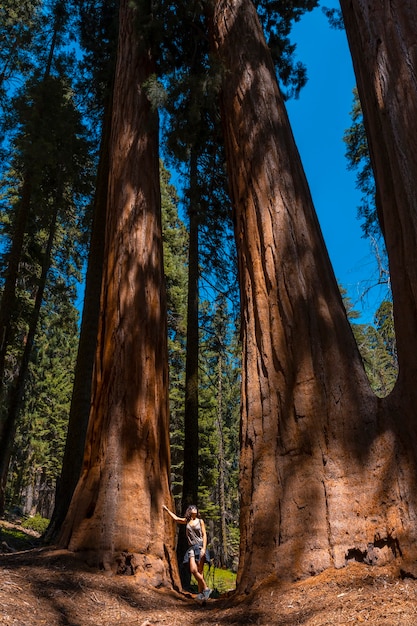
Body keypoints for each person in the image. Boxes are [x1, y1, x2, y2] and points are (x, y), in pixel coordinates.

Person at [163, 503, 212, 600]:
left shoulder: (200, 521)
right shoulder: (187, 521)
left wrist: (203, 548)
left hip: (200, 547)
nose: (194, 509)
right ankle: (206, 588)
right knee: (193, 570)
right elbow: (176, 519)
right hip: (191, 548)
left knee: (200, 571)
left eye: (195, 508)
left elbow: (204, 535)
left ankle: (201, 596)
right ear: (189, 511)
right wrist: (166, 509)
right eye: (192, 508)